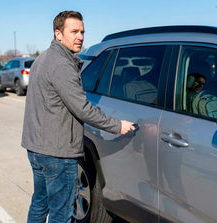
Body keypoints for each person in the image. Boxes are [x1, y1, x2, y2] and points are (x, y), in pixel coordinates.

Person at [21, 11, 135, 223]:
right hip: (57, 152)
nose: (80, 36)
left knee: (40, 204)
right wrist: (117, 125)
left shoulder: (43, 59)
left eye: (82, 31)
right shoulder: (62, 65)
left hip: (36, 148)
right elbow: (82, 108)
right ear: (58, 34)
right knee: (62, 213)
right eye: (74, 31)